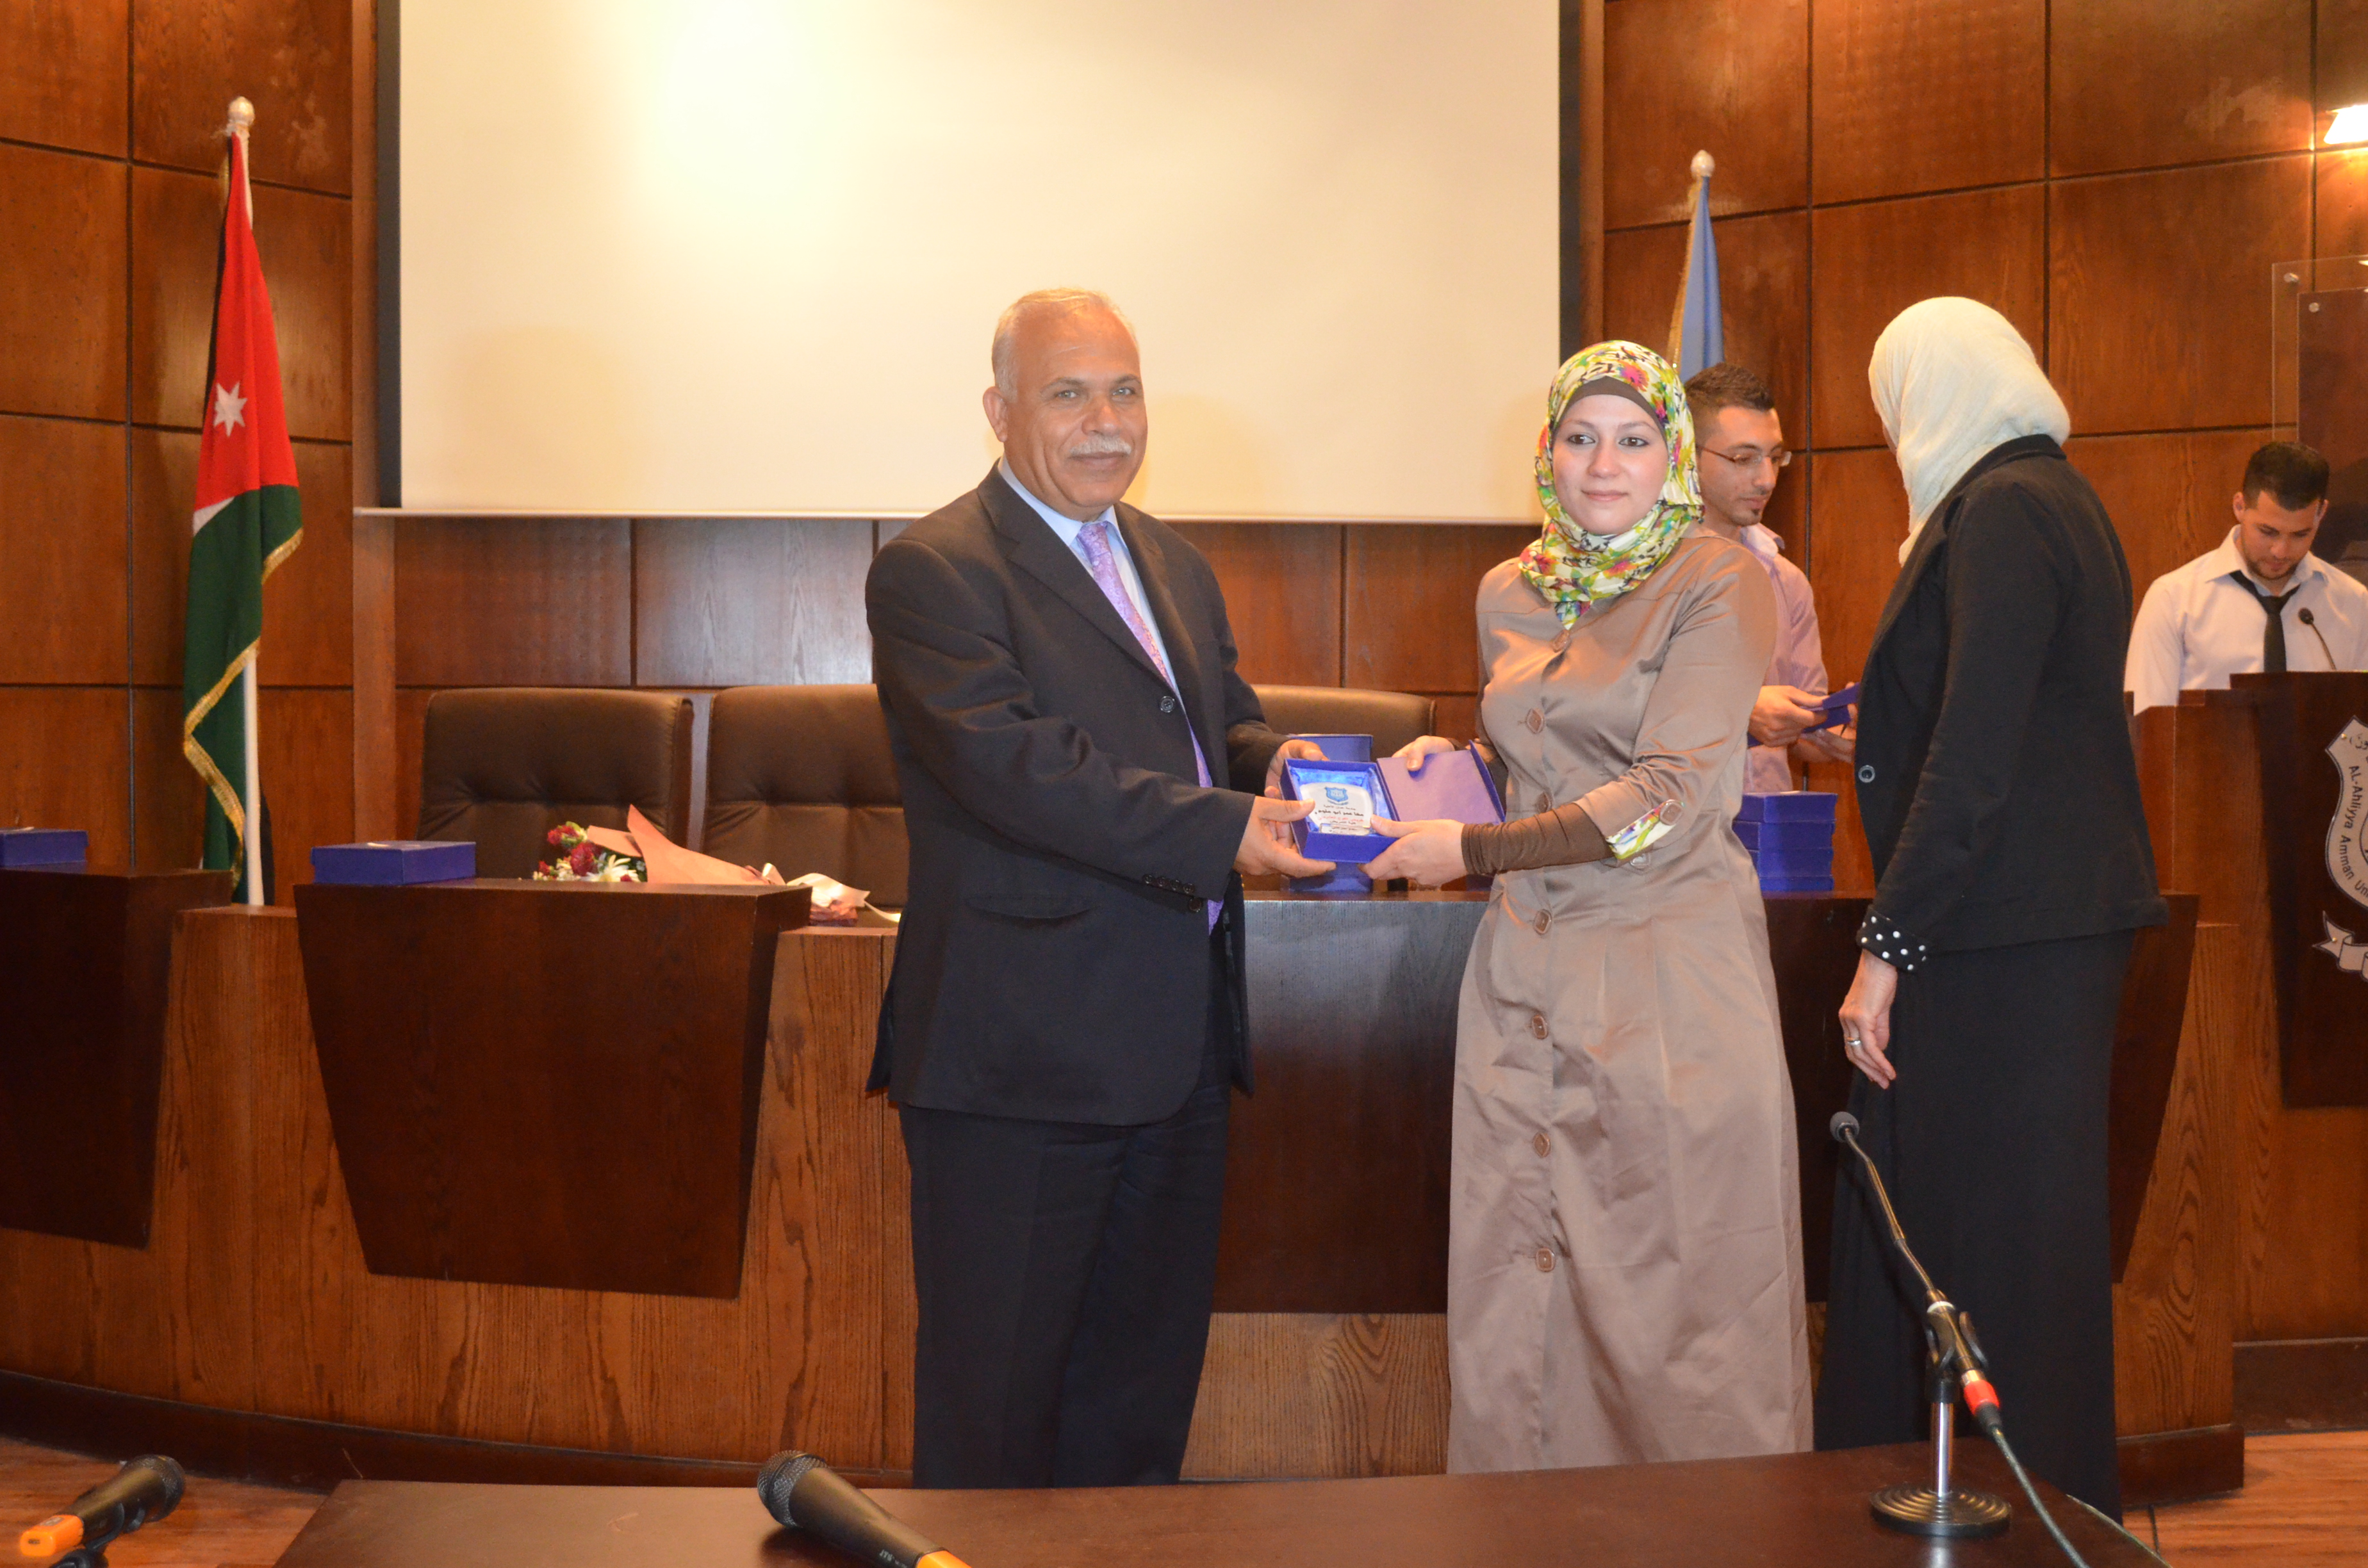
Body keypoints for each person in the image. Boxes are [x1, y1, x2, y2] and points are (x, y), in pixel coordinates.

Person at [863, 288, 1329, 1489]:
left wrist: (1278, 766)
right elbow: (1019, 771)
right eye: (1068, 393)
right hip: (1020, 1065)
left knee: (1135, 1412)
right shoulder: (934, 570)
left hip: (1178, 1055)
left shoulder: (1170, 558)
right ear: (999, 411)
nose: (1105, 421)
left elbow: (1217, 728)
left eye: (1124, 391)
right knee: (995, 1420)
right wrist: (1229, 827)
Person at [1366, 340, 1811, 1471]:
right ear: (1548, 452)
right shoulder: (1508, 590)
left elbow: (1667, 796)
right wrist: (1451, 770)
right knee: (1520, 1294)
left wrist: (1471, 847)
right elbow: (1545, 758)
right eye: (1579, 437)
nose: (1603, 464)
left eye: (1633, 439)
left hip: (1667, 974)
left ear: (1673, 456)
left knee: (1676, 1312)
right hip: (1524, 977)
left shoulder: (1720, 579)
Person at [1814, 297, 2167, 1515]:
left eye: (1893, 403)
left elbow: (1978, 753)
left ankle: (2021, 1508)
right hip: (2025, 928)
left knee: (2004, 1244)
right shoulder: (2049, 496)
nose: (1891, 431)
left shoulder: (2005, 508)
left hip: (2000, 939)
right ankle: (2008, 1501)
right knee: (2008, 1238)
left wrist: (1884, 946)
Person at [1683, 362, 1854, 788]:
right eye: (1744, 459)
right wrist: (1742, 711)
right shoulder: (1643, 573)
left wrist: (1838, 726)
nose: (1766, 479)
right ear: (1685, 456)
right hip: (1672, 821)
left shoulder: (1786, 580)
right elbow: (1614, 711)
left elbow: (1806, 738)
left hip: (1766, 822)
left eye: (1775, 458)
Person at [2124, 440, 2368, 711]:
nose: (2281, 551)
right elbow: (2147, 721)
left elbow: (2363, 721)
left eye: (2300, 535)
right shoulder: (2174, 599)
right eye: (2268, 532)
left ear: (2321, 514)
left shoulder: (2354, 603)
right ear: (2240, 506)